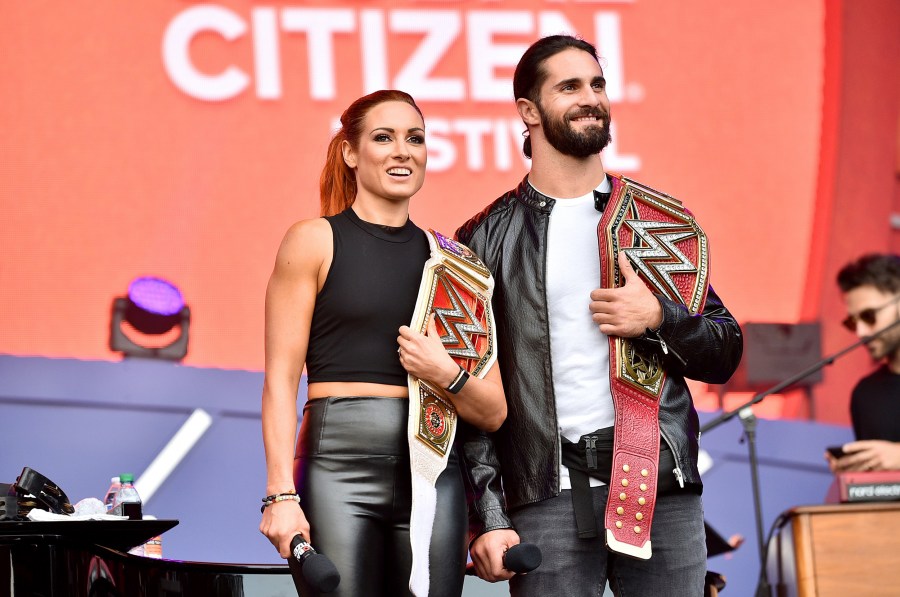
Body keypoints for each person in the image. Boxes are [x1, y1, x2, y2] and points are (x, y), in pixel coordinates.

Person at [455, 35, 743, 596]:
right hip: (548, 493)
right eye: (569, 87)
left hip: (660, 487)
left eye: (597, 84)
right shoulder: (485, 237)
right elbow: (470, 395)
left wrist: (661, 317)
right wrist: (487, 516)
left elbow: (725, 349)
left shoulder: (655, 221)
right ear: (528, 112)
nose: (590, 98)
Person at [259, 89, 507, 597]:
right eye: (384, 137)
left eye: (415, 139)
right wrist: (279, 494)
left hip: (435, 470)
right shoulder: (314, 240)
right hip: (337, 466)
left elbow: (494, 411)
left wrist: (446, 373)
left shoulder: (457, 266)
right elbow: (280, 381)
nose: (403, 151)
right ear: (351, 152)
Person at [827, 253, 900, 473]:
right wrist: (856, 476)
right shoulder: (865, 393)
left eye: (869, 316)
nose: (861, 332)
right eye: (852, 322)